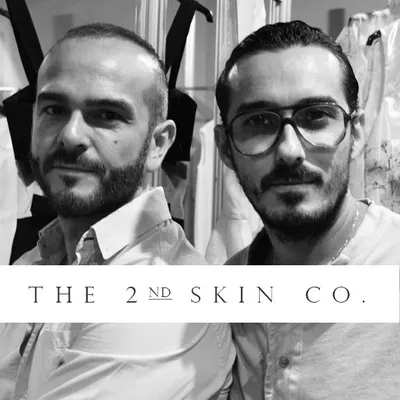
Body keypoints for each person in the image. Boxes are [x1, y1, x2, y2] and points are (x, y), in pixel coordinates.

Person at [0, 23, 235, 400]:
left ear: (158, 145)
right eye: (54, 109)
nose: (70, 136)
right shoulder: (36, 262)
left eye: (107, 114)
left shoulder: (165, 297)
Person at [214, 20, 400, 399]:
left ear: (357, 132)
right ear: (224, 149)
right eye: (258, 122)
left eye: (316, 116)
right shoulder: (223, 297)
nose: (289, 151)